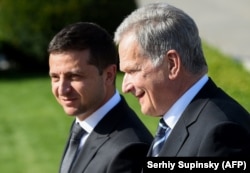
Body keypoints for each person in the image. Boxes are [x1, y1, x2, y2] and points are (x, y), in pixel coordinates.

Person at [114, 2, 250, 157]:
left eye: (133, 71)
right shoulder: (174, 122)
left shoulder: (221, 133)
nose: (125, 86)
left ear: (172, 64)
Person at [48, 22, 153, 173]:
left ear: (109, 75)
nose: (63, 89)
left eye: (74, 76)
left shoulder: (130, 149)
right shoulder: (82, 125)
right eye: (55, 77)